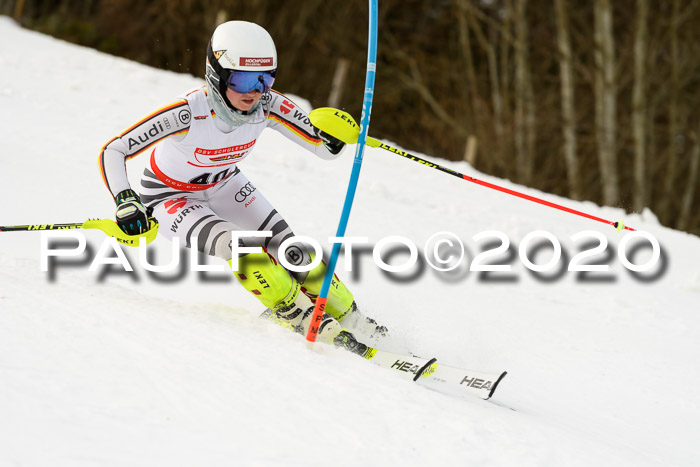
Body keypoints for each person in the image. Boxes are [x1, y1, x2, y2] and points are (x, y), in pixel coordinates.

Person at [98, 20, 386, 354]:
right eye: (244, 79)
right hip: (170, 195)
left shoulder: (268, 105)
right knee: (239, 247)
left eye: (266, 79)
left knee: (293, 251)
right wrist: (125, 199)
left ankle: (354, 319)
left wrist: (338, 135)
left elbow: (322, 148)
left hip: (225, 183)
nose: (255, 91)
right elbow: (113, 150)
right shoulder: (186, 114)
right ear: (216, 74)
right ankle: (297, 314)